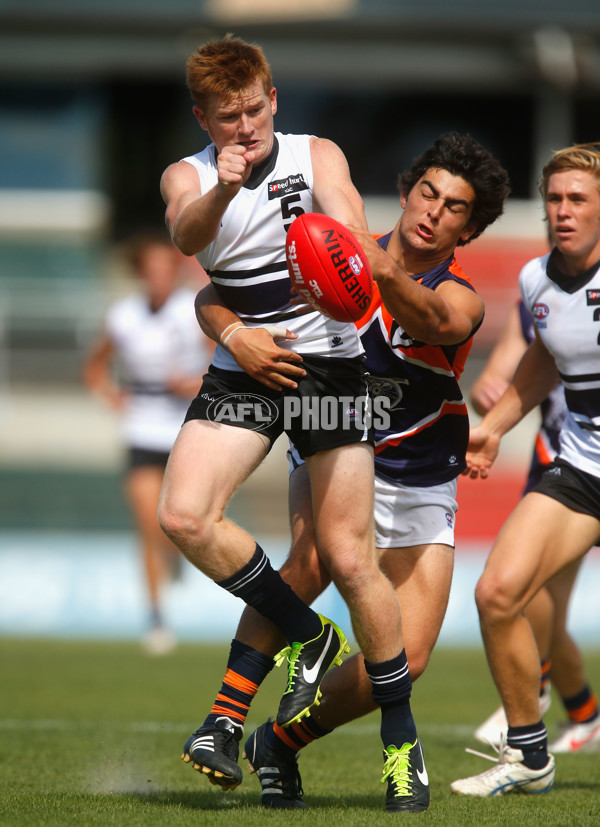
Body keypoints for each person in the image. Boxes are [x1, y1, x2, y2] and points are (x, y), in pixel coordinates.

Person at [193, 132, 510, 811]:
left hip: (420, 476)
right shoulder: (322, 251)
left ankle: (278, 739)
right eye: (428, 192)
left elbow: (434, 319)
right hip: (334, 441)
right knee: (308, 559)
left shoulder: (459, 296)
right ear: (405, 191)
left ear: (472, 228)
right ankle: (225, 716)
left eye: (455, 207)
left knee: (406, 659)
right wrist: (233, 333)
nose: (434, 211)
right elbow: (213, 297)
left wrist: (373, 265)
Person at [157, 33, 414, 802]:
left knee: (344, 553)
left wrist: (349, 259)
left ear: (275, 98)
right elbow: (186, 237)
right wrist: (225, 191)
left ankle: (402, 745)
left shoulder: (315, 153)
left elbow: (348, 226)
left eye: (256, 107)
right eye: (228, 115)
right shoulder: (189, 175)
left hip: (332, 364)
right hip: (247, 365)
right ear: (203, 117)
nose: (246, 126)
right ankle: (311, 633)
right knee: (184, 514)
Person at [450, 142, 600, 797]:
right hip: (582, 466)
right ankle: (530, 755)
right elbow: (544, 358)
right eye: (555, 200)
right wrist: (493, 429)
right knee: (497, 593)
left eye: (578, 200)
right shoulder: (538, 280)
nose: (563, 211)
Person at [470, 299, 600, 753]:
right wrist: (488, 403)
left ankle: (563, 705)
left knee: (543, 603)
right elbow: (505, 373)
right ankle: (558, 714)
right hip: (566, 462)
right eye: (550, 221)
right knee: (521, 594)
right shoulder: (536, 291)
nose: (561, 224)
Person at [83, 230, 212, 654]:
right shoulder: (123, 316)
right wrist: (112, 397)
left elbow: (220, 359)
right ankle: (157, 618)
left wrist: (194, 384)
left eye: (165, 269)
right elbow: (95, 367)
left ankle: (175, 558)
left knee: (177, 520)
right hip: (141, 427)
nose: (158, 277)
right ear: (140, 273)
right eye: (150, 270)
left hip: (184, 426)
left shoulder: (192, 310)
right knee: (147, 522)